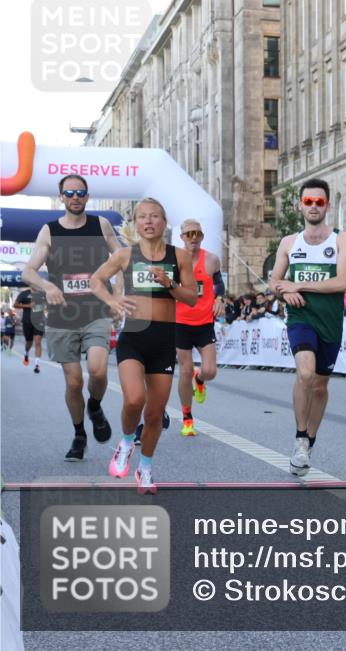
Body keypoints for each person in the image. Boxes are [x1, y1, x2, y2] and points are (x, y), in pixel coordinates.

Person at [91, 198, 198, 494]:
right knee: (134, 400)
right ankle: (126, 442)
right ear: (136, 224)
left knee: (154, 415)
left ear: (164, 222)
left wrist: (169, 283)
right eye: (142, 217)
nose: (148, 221)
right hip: (134, 337)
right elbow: (96, 280)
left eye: (154, 216)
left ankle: (145, 469)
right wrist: (113, 300)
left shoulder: (179, 256)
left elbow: (191, 298)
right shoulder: (126, 255)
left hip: (164, 340)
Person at [21, 174, 121, 461]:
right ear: (61, 197)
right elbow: (28, 271)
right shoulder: (50, 231)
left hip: (96, 311)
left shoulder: (101, 225)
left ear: (87, 196)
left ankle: (95, 406)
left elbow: (122, 260)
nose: (75, 197)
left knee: (98, 371)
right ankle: (79, 434)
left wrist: (116, 296)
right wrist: (48, 286)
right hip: (63, 316)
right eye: (69, 193)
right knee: (74, 382)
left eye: (80, 192)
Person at [269, 178, 346, 476]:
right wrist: (284, 292)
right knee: (305, 374)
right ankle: (300, 438)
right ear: (300, 206)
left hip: (329, 321)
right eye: (308, 202)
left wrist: (298, 284)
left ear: (327, 205)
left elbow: (341, 282)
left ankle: (310, 440)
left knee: (320, 385)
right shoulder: (289, 243)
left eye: (319, 202)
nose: (314, 206)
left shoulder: (342, 239)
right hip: (301, 317)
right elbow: (275, 281)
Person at [174, 218, 226, 438]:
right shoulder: (175, 260)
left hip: (204, 322)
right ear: (182, 237)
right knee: (185, 370)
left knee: (210, 371)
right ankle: (187, 417)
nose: (193, 237)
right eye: (189, 234)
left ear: (202, 236)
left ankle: (200, 379)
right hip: (180, 322)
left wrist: (220, 299)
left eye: (197, 233)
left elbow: (219, 283)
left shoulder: (211, 260)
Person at [14, 287, 46, 373]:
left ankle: (37, 365)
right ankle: (26, 353)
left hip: (39, 321)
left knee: (38, 343)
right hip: (27, 321)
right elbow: (15, 305)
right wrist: (28, 306)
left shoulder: (43, 293)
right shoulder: (24, 294)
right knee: (29, 342)